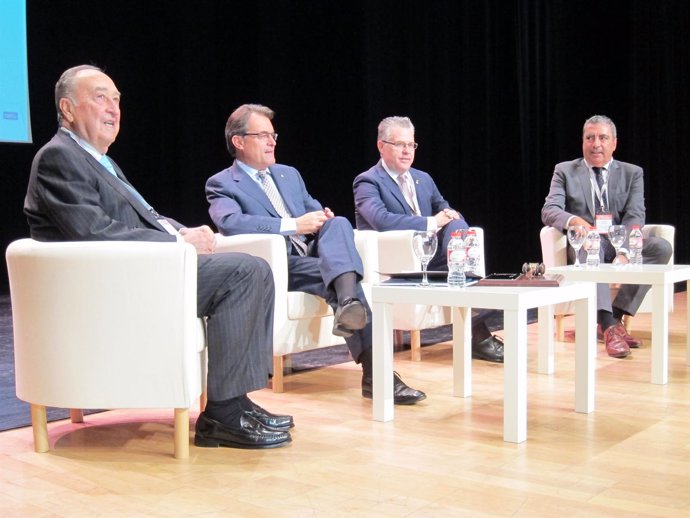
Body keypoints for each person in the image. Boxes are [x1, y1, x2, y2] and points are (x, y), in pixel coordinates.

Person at [24, 65, 293, 450]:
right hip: (109, 288)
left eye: (117, 99)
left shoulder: (99, 161)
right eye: (101, 97)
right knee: (245, 272)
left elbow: (144, 216)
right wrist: (178, 244)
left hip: (138, 273)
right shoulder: (58, 158)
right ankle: (224, 416)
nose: (114, 108)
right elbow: (95, 233)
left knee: (255, 269)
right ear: (67, 109)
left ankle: (235, 403)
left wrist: (181, 231)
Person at [205, 104, 426, 405]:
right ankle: (376, 371)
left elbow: (311, 205)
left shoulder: (288, 174)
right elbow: (230, 223)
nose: (272, 142)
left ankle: (347, 302)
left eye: (274, 135)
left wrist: (320, 216)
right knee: (347, 280)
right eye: (263, 135)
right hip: (279, 264)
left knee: (338, 223)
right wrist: (292, 225)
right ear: (239, 141)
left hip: (311, 255)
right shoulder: (223, 183)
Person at [353, 116, 505, 363]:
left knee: (456, 225)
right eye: (399, 144)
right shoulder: (368, 181)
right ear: (381, 146)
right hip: (396, 261)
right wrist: (432, 222)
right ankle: (479, 331)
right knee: (457, 262)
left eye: (411, 145)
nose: (406, 151)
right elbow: (380, 220)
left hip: (432, 256)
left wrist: (450, 220)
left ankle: (465, 276)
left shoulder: (423, 179)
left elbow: (447, 210)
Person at [541, 114, 673, 358]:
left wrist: (624, 252)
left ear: (614, 143)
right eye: (590, 138)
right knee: (592, 246)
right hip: (585, 244)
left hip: (617, 241)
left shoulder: (632, 173)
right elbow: (550, 210)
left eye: (603, 137)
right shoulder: (565, 171)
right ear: (583, 142)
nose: (596, 144)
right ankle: (610, 326)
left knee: (661, 248)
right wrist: (576, 222)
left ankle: (615, 314)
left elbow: (635, 215)